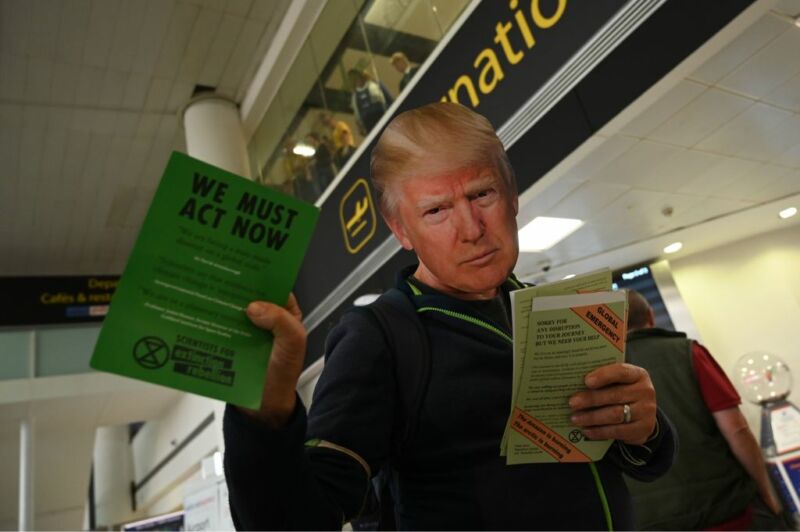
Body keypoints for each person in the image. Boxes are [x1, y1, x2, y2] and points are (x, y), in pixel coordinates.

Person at [223, 102, 676, 530]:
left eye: (482, 194)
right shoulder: (380, 335)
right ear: (401, 229)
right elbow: (302, 520)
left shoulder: (557, 311)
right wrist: (263, 416)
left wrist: (646, 428)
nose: (472, 229)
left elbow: (629, 460)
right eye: (436, 210)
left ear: (512, 195)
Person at [624, 289, 782, 530]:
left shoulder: (602, 373)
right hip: (725, 509)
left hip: (650, 519)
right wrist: (767, 493)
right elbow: (736, 429)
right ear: (651, 315)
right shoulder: (688, 351)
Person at [348, 68, 392, 135]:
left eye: (357, 77)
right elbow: (357, 115)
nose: (356, 80)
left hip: (382, 117)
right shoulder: (354, 97)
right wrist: (360, 127)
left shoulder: (374, 85)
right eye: (353, 79)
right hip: (369, 126)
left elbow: (389, 98)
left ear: (361, 76)